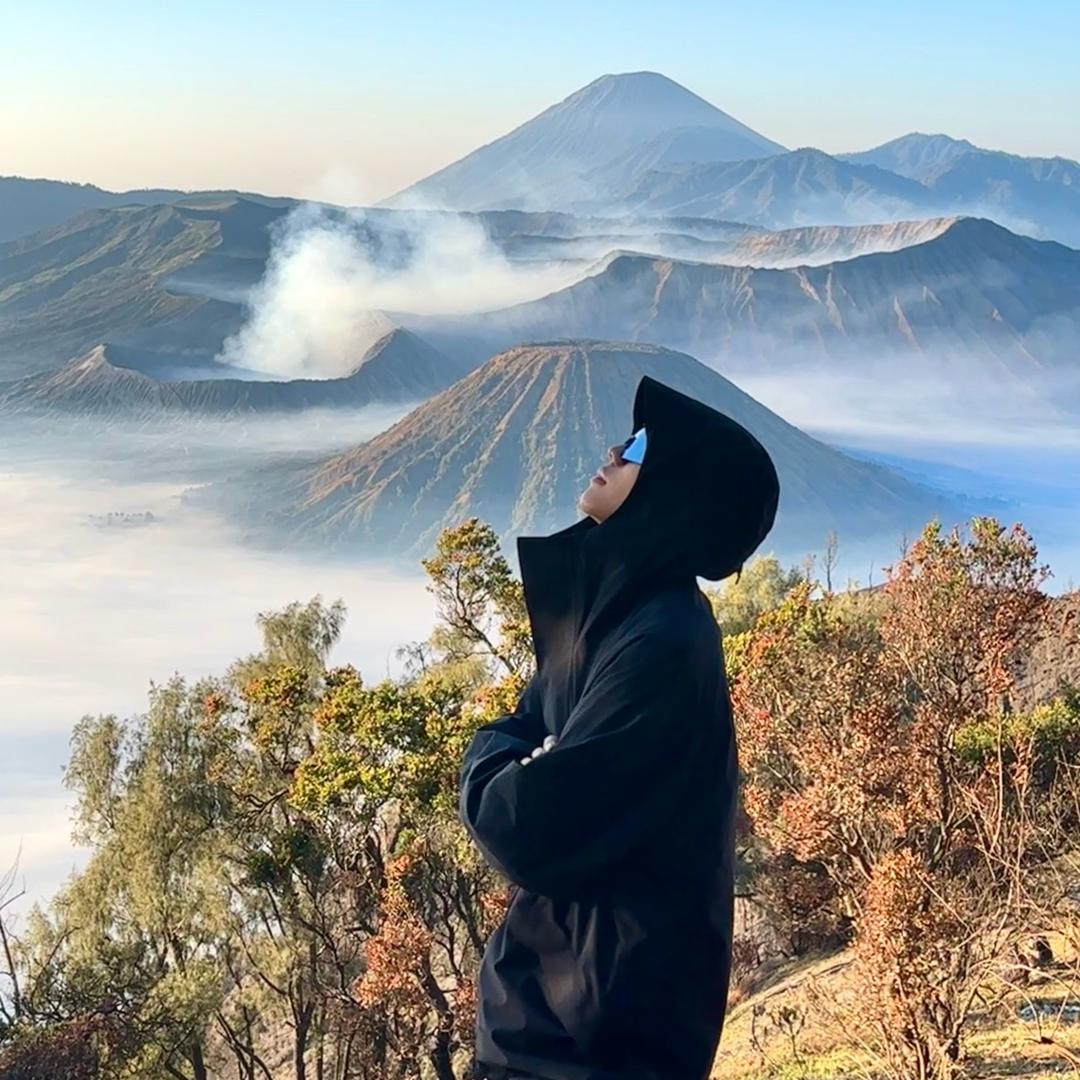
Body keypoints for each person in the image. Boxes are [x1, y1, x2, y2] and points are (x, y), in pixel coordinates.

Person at [458, 373, 780, 1080]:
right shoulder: (617, 619)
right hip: (558, 1027)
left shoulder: (660, 643)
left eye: (638, 446)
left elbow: (525, 821)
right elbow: (523, 729)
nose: (613, 449)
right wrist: (519, 751)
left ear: (674, 487)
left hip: (585, 1044)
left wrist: (498, 759)